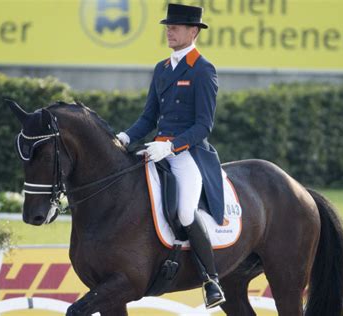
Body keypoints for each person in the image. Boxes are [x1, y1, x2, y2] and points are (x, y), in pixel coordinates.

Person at [116, 3, 225, 309]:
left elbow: (204, 125)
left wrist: (172, 145)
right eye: (167, 27)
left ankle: (211, 279)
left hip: (186, 153)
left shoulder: (203, 69)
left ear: (193, 32)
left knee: (187, 212)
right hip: (155, 149)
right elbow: (149, 117)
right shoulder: (162, 68)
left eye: (175, 28)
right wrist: (125, 137)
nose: (169, 32)